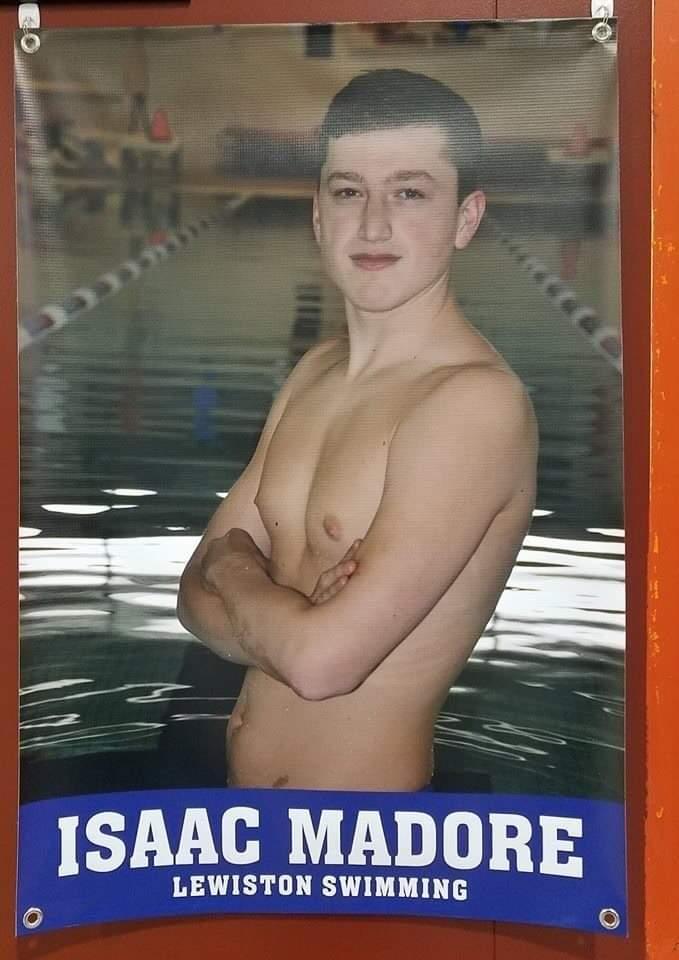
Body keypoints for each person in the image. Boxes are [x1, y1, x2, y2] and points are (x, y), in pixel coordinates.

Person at [177, 69, 538, 792]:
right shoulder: (316, 371)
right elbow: (190, 598)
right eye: (348, 192)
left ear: (466, 218)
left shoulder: (472, 405)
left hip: (367, 831)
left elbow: (321, 667)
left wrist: (238, 571)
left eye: (409, 193)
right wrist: (285, 616)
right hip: (251, 823)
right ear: (318, 213)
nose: (372, 226)